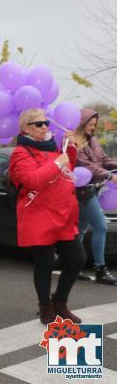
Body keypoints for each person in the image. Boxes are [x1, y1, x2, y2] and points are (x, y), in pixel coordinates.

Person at [8, 108, 86, 324]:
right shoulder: (20, 152)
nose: (44, 127)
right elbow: (32, 180)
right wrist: (57, 163)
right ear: (25, 128)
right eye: (38, 124)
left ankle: (59, 301)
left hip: (64, 217)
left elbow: (67, 168)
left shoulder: (53, 148)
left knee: (77, 259)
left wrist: (69, 149)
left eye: (46, 123)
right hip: (39, 217)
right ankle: (45, 307)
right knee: (44, 264)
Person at [74, 109, 117, 285]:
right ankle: (100, 269)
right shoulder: (75, 144)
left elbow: (104, 159)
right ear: (82, 124)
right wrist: (109, 176)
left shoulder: (93, 140)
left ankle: (73, 266)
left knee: (81, 230)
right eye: (90, 125)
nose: (93, 128)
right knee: (100, 226)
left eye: (94, 125)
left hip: (92, 188)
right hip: (83, 190)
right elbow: (86, 165)